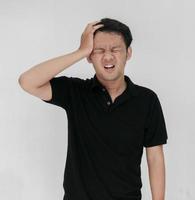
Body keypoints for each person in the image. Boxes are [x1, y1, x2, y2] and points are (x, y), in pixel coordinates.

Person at [18, 18, 168, 200]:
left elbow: (155, 157)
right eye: (99, 50)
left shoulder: (146, 100)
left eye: (115, 49)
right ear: (90, 56)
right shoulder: (75, 92)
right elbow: (27, 81)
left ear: (128, 53)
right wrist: (80, 51)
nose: (108, 57)